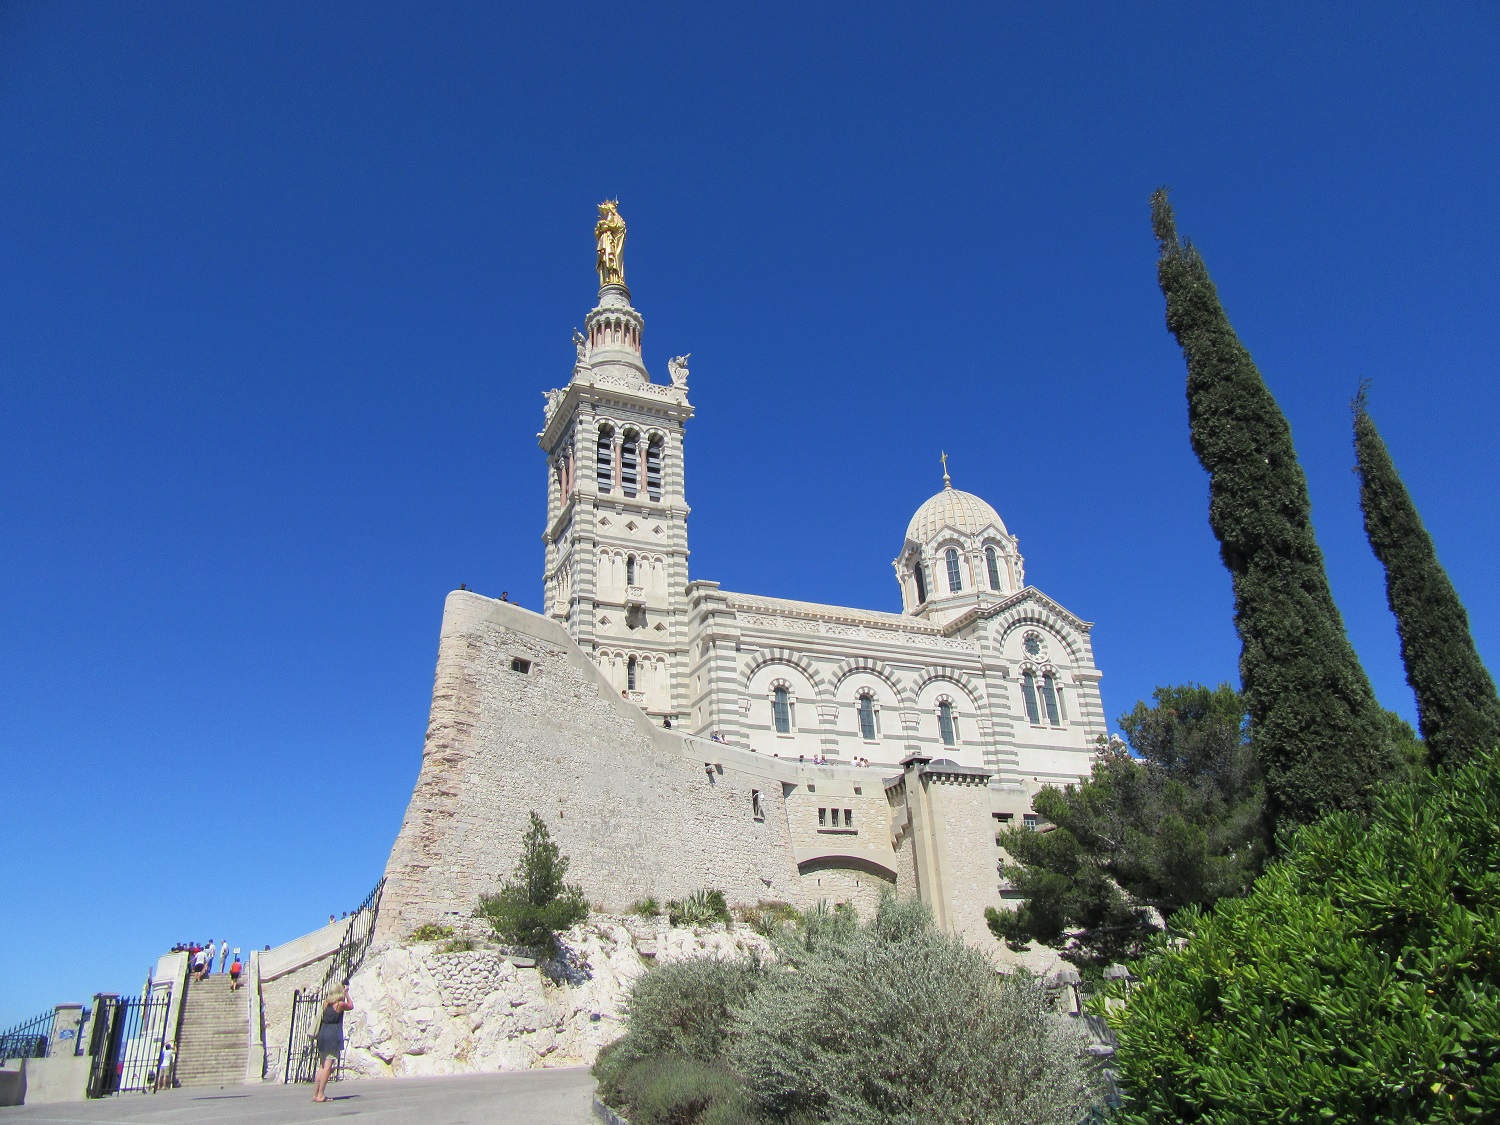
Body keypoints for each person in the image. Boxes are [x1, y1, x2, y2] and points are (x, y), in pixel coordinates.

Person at [311, 984, 354, 1103]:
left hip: (323, 1034)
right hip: (332, 1035)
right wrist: (346, 993)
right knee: (328, 1067)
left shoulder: (326, 1003)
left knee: (322, 1066)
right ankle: (321, 1094)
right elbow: (351, 1006)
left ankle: (315, 1094)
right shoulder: (339, 1005)